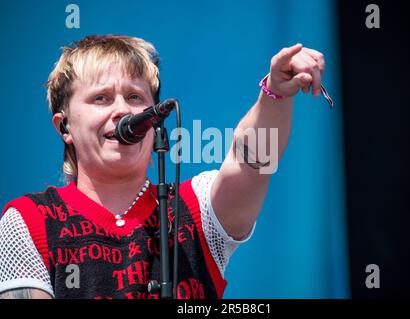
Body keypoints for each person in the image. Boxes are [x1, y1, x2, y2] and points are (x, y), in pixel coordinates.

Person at [0, 35, 326, 299]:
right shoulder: (29, 222)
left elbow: (254, 163)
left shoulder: (195, 207)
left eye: (134, 97)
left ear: (154, 118)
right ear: (64, 127)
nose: (122, 111)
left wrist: (275, 94)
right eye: (101, 98)